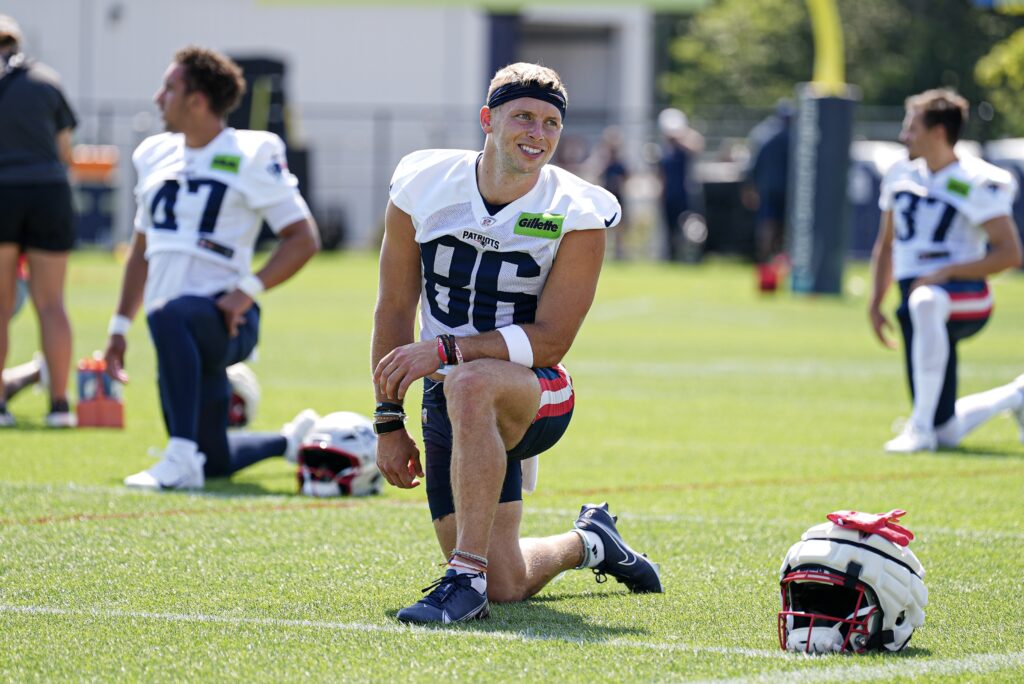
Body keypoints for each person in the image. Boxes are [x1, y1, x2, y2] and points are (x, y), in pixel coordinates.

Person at [372, 62, 663, 625]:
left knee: (471, 382)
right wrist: (388, 421)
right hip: (447, 391)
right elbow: (394, 307)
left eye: (551, 123)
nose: (537, 133)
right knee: (506, 581)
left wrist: (447, 351)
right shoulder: (423, 183)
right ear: (487, 119)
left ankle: (462, 581)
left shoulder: (577, 209)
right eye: (523, 117)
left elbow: (552, 341)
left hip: (534, 387)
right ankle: (590, 542)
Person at [103, 46, 321, 489]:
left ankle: (179, 456)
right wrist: (119, 327)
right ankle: (288, 441)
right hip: (173, 331)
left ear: (197, 100)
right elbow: (141, 248)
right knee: (214, 459)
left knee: (170, 313)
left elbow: (303, 238)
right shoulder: (153, 154)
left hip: (225, 318)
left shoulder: (250, 152)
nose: (158, 97)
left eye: (169, 87)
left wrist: (246, 290)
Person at [869, 88, 1024, 453]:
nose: (904, 136)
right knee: (948, 432)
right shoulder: (899, 174)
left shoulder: (974, 179)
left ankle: (919, 428)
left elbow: (1010, 253)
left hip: (966, 293)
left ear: (938, 132)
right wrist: (875, 301)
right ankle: (1017, 396)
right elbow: (886, 244)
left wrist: (948, 272)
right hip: (915, 295)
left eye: (912, 128)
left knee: (925, 301)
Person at [0, 14, 76, 428]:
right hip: (49, 192)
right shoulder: (46, 80)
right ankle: (60, 405)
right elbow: (65, 151)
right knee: (51, 303)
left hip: (2, 190)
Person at [743, 100, 793, 291]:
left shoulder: (764, 134)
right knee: (779, 234)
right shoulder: (792, 136)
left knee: (768, 231)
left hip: (769, 190)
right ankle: (774, 274)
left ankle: (767, 272)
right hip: (786, 191)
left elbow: (752, 166)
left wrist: (750, 186)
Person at [657, 108, 704, 262]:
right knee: (669, 230)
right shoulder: (665, 151)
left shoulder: (683, 148)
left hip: (685, 194)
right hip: (669, 195)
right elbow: (662, 175)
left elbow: (698, 144)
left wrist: (680, 134)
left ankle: (691, 256)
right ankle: (672, 256)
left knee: (689, 227)